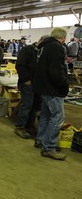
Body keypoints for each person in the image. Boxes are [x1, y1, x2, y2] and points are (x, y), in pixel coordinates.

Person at [33, 27, 69, 160]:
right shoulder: (56, 47)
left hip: (43, 87)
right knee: (58, 116)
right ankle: (49, 147)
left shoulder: (44, 46)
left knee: (46, 115)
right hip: (52, 89)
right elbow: (56, 71)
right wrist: (64, 83)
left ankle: (41, 140)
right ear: (63, 37)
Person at [14, 35, 49, 139]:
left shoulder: (43, 52)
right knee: (27, 105)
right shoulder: (27, 50)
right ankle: (19, 127)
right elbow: (19, 65)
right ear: (41, 41)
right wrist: (26, 79)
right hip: (27, 84)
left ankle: (29, 125)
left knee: (35, 106)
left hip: (38, 84)